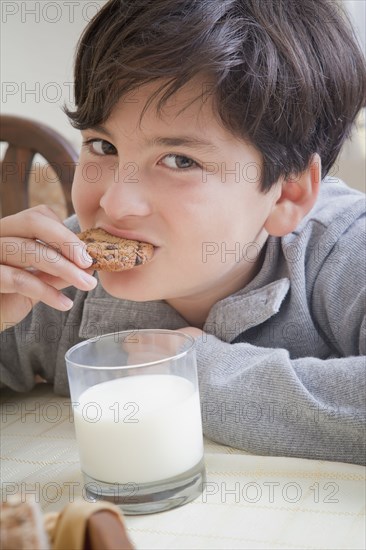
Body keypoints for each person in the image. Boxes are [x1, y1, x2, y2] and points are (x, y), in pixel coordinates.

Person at [1, 0, 365, 465]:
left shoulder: (342, 249)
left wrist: (193, 371)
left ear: (286, 195)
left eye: (179, 161)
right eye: (102, 145)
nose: (113, 202)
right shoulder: (57, 279)